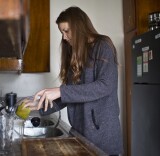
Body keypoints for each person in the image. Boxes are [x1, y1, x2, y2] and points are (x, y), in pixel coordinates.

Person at [24, 6, 123, 156]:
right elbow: (70, 95)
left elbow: (105, 85)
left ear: (79, 27)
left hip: (102, 136)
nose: (64, 37)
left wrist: (60, 91)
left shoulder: (103, 45)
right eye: (61, 32)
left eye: (66, 31)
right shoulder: (73, 53)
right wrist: (40, 105)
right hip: (80, 133)